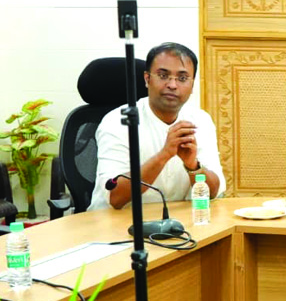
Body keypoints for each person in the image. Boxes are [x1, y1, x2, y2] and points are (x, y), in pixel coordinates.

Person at [89, 42, 225, 211]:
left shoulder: (200, 120)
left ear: (192, 85)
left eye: (182, 78)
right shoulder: (118, 121)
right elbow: (115, 197)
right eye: (163, 75)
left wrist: (193, 166)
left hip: (176, 220)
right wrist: (164, 155)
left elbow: (213, 192)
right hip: (116, 222)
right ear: (147, 79)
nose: (172, 85)